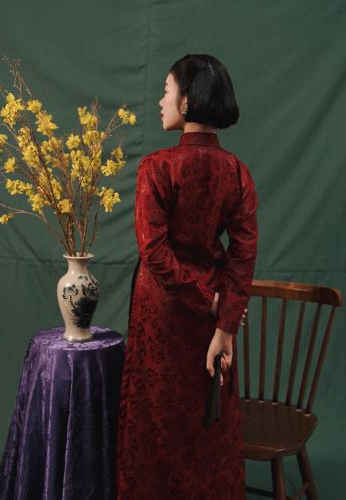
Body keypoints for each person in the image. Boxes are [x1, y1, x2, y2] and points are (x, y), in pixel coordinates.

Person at [116, 54, 258, 499]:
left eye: (166, 91)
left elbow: (154, 253)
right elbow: (244, 255)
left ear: (187, 101)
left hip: (163, 311)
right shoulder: (237, 172)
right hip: (212, 318)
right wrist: (225, 321)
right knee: (206, 423)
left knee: (155, 423)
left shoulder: (157, 167)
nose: (160, 101)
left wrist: (214, 306)